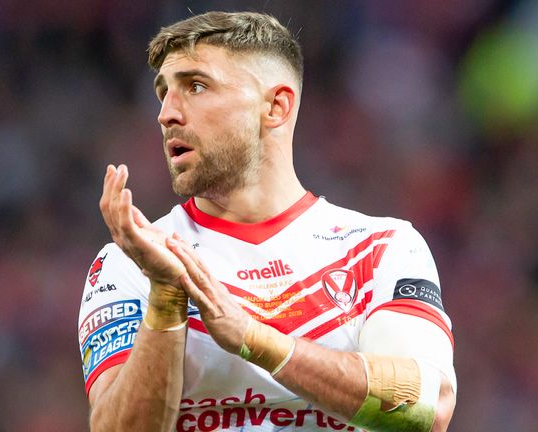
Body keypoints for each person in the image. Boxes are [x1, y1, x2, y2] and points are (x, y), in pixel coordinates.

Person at [78, 11, 456, 432]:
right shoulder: (132, 262)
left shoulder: (380, 248)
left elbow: (426, 406)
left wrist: (254, 340)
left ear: (276, 106)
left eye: (196, 86)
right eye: (163, 93)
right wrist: (166, 299)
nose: (166, 114)